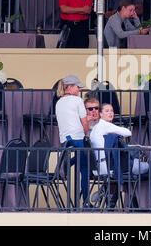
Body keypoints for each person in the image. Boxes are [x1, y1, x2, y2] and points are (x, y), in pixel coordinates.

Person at [55, 75, 91, 206]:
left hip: (65, 139)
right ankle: (86, 201)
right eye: (78, 87)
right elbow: (84, 122)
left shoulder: (59, 102)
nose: (79, 90)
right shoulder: (77, 100)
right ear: (69, 86)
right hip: (77, 137)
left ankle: (65, 164)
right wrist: (86, 134)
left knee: (81, 157)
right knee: (85, 169)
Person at [89, 103, 132, 208]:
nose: (110, 113)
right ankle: (135, 204)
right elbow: (128, 132)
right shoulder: (106, 125)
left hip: (97, 167)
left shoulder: (96, 127)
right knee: (143, 169)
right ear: (100, 114)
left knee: (120, 168)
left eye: (112, 111)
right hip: (107, 168)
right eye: (107, 111)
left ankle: (107, 193)